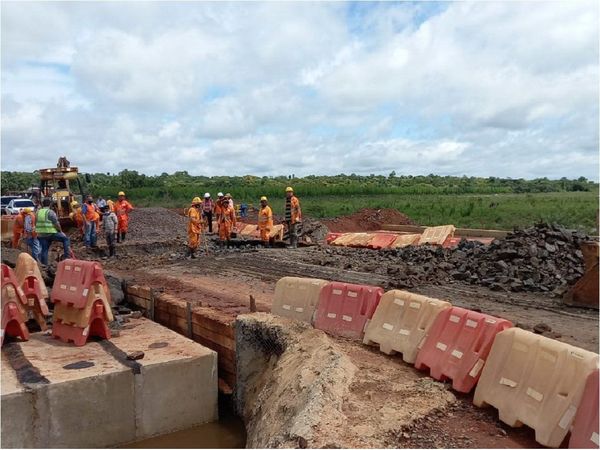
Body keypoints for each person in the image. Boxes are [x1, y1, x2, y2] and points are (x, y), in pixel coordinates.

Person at [36, 199, 71, 265]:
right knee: (65, 239)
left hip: (41, 234)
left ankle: (44, 265)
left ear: (42, 204)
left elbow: (35, 223)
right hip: (51, 233)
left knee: (44, 250)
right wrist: (61, 231)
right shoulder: (50, 212)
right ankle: (67, 257)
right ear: (50, 205)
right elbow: (56, 223)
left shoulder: (38, 212)